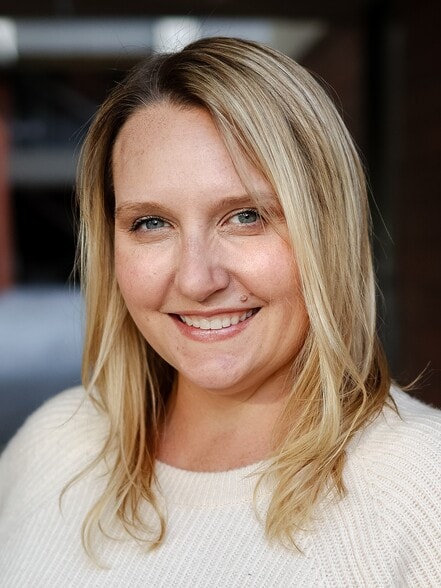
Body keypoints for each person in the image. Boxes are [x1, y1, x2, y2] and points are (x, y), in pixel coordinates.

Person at [0, 36, 440, 587]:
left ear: (327, 227)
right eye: (151, 223)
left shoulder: (422, 488)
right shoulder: (52, 445)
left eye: (246, 216)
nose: (196, 279)